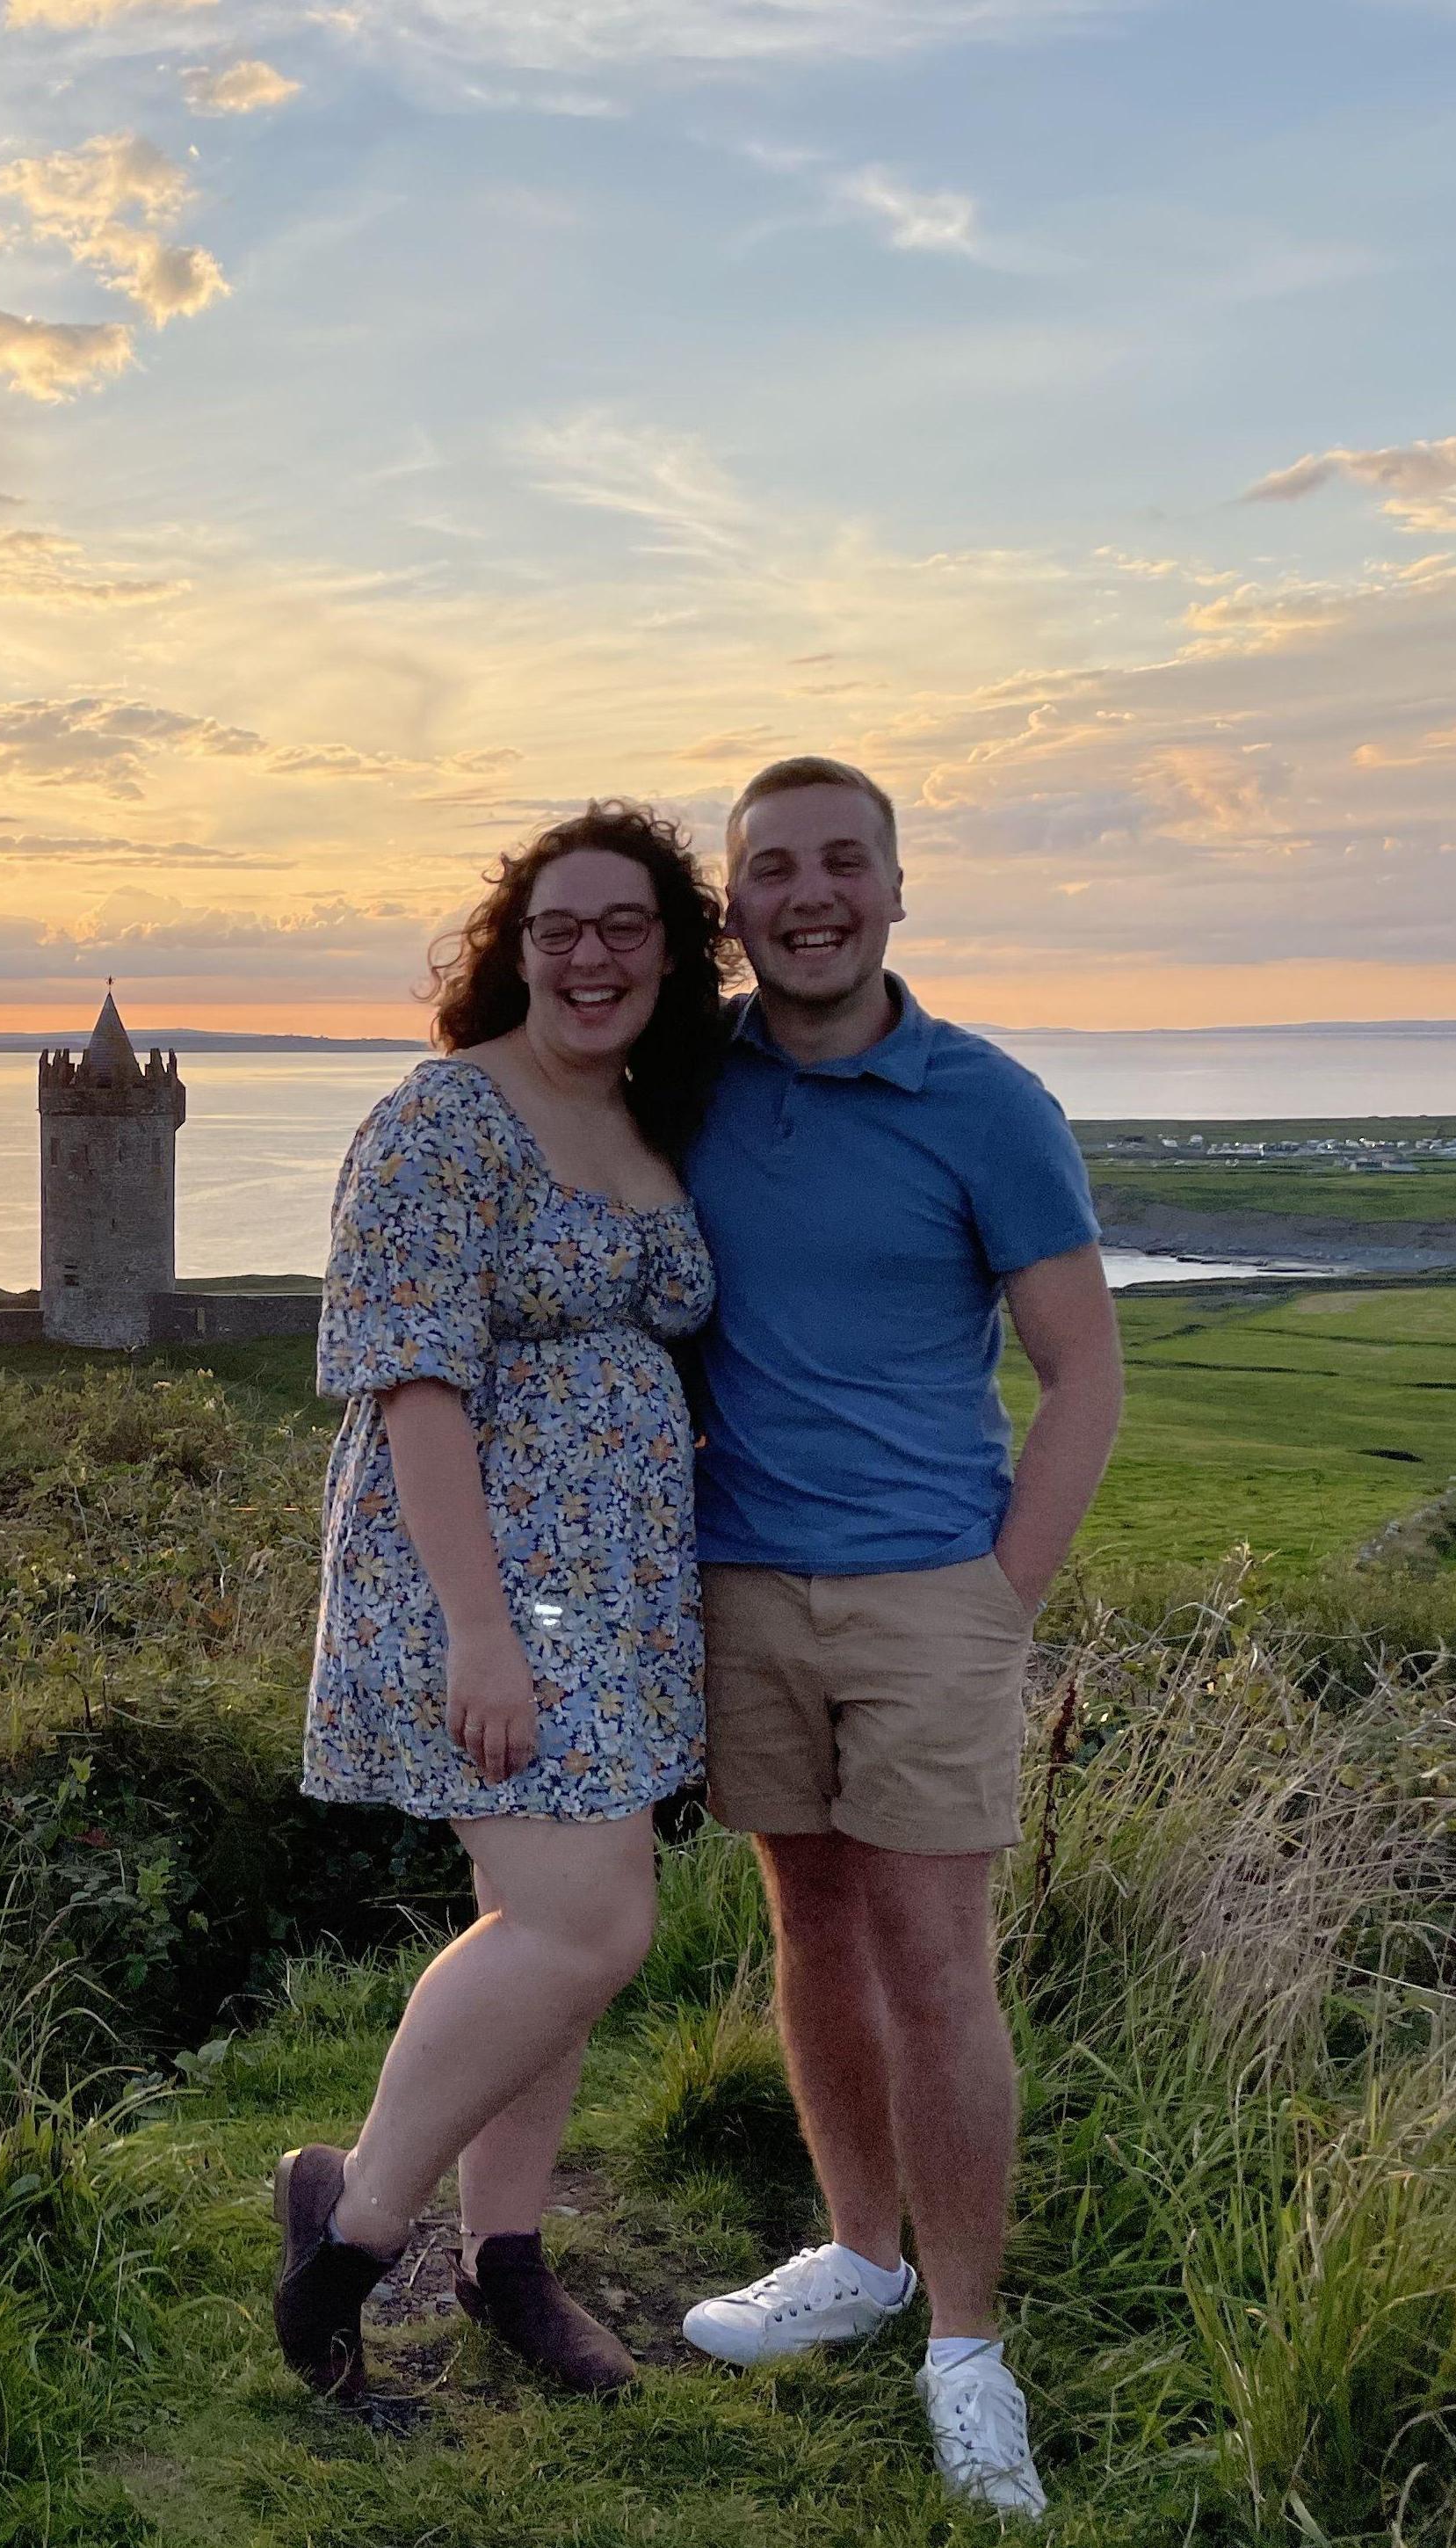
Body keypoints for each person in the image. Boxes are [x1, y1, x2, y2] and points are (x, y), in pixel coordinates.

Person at [677, 756, 1123, 2517]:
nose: (810, 895)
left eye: (841, 862)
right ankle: (858, 2253)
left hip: (933, 1589)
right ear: (735, 908)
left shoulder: (989, 1101)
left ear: (895, 886)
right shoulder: (690, 1078)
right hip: (741, 1582)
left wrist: (1002, 1593)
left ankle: (964, 2341)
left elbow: (1084, 1368)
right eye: (774, 869)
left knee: (939, 1962)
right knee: (813, 1929)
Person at [272, 801, 733, 2406]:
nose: (591, 954)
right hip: (483, 1582)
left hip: (622, 1596)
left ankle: (506, 2257)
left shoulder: (651, 1116)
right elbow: (412, 1383)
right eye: (559, 928)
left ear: (672, 954)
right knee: (582, 1916)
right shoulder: (442, 1120)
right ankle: (351, 2231)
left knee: (555, 1933)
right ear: (513, 951)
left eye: (624, 926)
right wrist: (477, 1629)